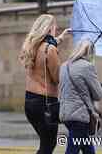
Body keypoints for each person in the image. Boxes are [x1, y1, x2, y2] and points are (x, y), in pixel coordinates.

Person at [20, 14, 69, 154]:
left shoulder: (30, 46)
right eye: (54, 26)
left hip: (30, 103)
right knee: (48, 145)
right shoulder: (50, 50)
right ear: (48, 29)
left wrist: (61, 38)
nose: (56, 28)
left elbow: (46, 47)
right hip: (45, 104)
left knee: (45, 143)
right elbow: (57, 78)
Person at [59, 40, 102, 154]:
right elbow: (99, 95)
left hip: (65, 114)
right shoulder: (87, 66)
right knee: (72, 150)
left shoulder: (64, 65)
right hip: (80, 116)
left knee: (87, 148)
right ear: (91, 53)